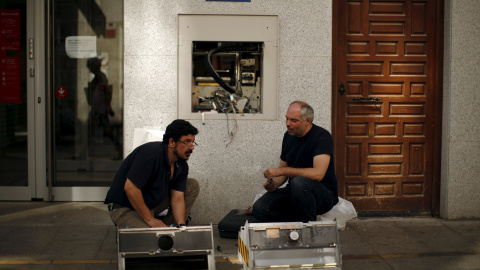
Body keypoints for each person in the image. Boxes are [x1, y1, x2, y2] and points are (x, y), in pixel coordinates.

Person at [252, 101, 339, 223]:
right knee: (259, 208)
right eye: (287, 119)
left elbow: (318, 174)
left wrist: (282, 171)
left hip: (323, 195)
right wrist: (274, 183)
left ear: (307, 121)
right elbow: (283, 171)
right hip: (295, 192)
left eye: (294, 120)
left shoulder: (322, 137)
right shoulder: (288, 136)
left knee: (299, 182)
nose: (288, 124)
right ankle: (297, 223)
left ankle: (308, 228)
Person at [104, 119, 200, 228]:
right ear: (171, 142)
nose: (192, 147)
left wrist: (181, 225)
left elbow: (177, 197)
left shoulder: (181, 164)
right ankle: (144, 225)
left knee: (191, 185)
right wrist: (150, 219)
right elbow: (130, 188)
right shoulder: (150, 155)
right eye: (187, 142)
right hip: (124, 208)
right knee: (149, 238)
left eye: (193, 142)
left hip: (149, 205)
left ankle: (170, 229)